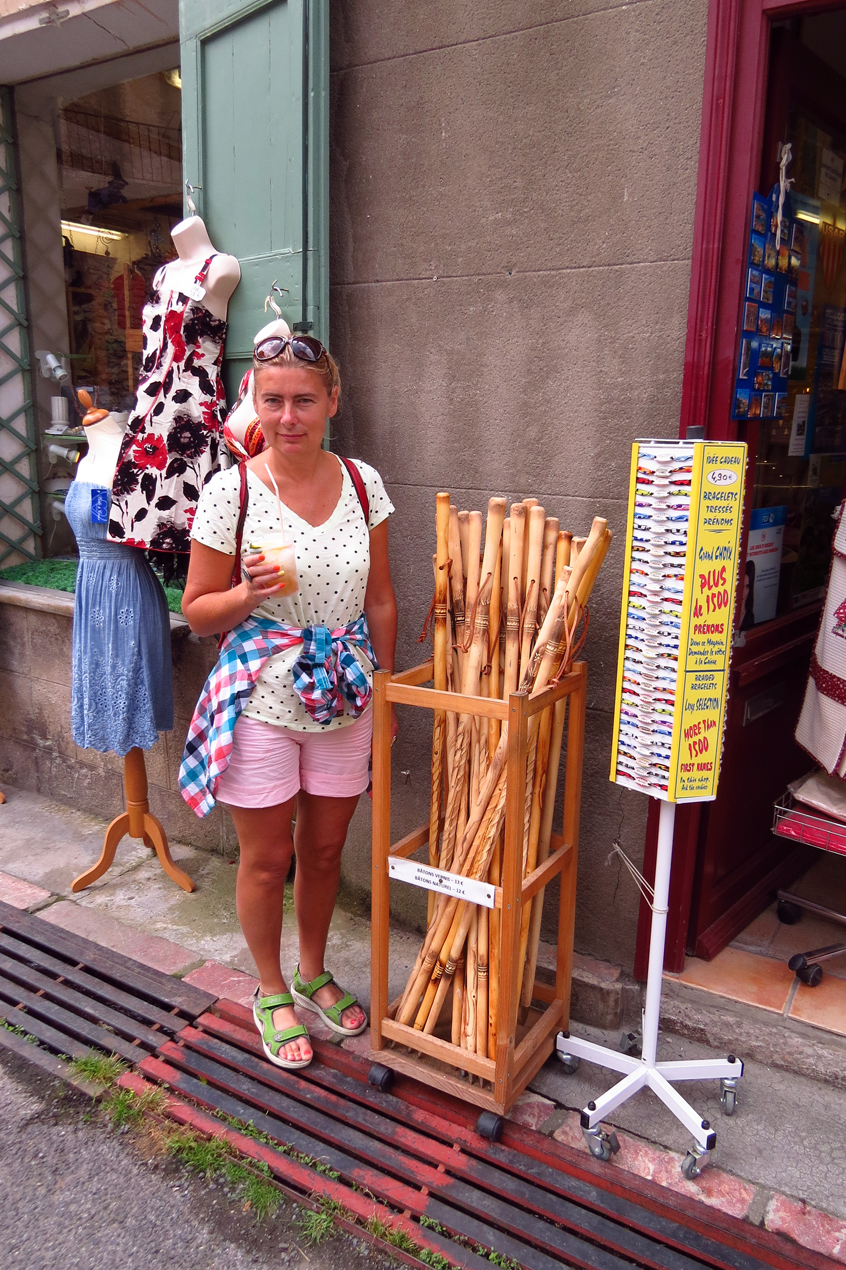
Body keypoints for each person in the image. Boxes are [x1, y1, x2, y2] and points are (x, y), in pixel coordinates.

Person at [180, 332, 397, 1069]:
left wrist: (388, 692)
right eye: (272, 400)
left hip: (347, 693)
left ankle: (312, 971)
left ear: (332, 401)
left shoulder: (363, 484)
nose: (288, 416)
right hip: (261, 698)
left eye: (304, 400)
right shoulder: (231, 492)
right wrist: (247, 593)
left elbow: (382, 599)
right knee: (268, 859)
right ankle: (271, 989)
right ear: (255, 402)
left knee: (326, 850)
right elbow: (197, 610)